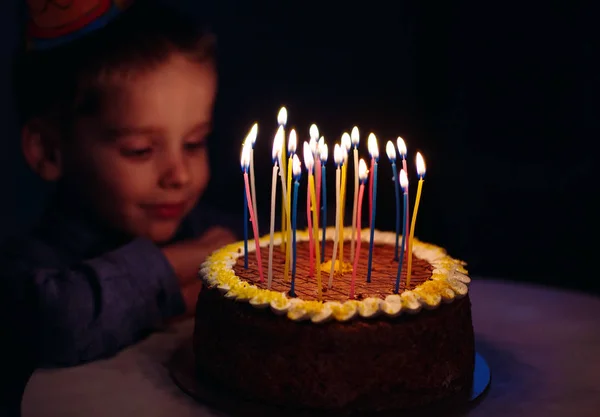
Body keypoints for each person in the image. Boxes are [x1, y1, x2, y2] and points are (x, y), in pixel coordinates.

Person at [0, 0, 238, 390]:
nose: (178, 175)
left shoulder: (215, 227)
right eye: (140, 150)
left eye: (194, 143)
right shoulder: (26, 271)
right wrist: (187, 262)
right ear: (48, 151)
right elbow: (58, 320)